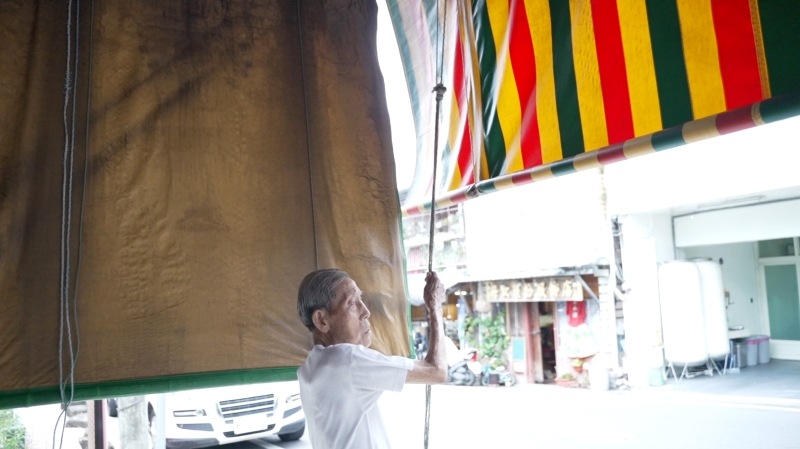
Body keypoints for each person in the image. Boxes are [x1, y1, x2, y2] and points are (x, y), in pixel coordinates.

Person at [296, 269, 447, 449]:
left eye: (361, 299)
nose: (366, 312)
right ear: (321, 320)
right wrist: (435, 307)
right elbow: (436, 371)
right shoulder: (346, 360)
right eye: (352, 303)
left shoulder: (309, 366)